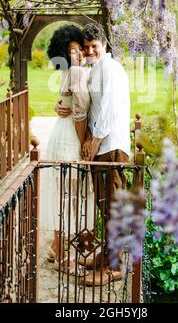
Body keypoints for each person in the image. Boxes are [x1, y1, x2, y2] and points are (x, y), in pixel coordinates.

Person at [55, 23, 130, 286]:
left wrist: (93, 140)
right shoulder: (95, 69)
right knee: (104, 204)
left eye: (94, 47)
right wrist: (61, 105)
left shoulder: (108, 68)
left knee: (112, 205)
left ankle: (115, 266)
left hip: (110, 146)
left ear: (105, 45)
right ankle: (105, 257)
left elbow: (108, 108)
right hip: (103, 145)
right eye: (86, 47)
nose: (89, 51)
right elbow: (82, 99)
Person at [42, 24, 94, 273]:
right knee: (70, 199)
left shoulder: (71, 71)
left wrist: (59, 105)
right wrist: (85, 142)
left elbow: (68, 102)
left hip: (60, 135)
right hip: (70, 138)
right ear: (63, 53)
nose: (80, 55)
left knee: (65, 195)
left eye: (80, 49)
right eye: (73, 51)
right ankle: (64, 258)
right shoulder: (78, 72)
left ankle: (55, 248)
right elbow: (80, 111)